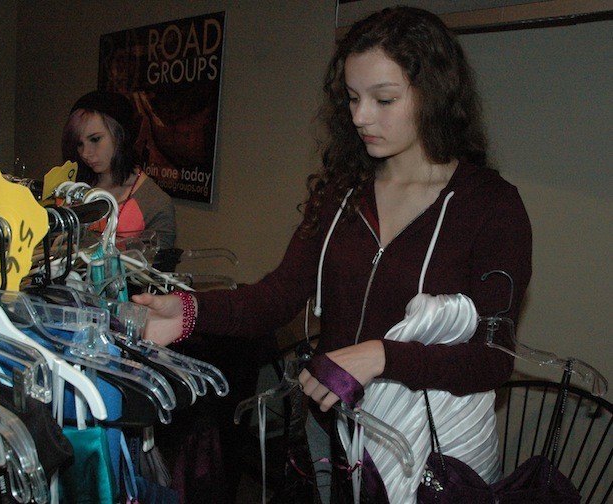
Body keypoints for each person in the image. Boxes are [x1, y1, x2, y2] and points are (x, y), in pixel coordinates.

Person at [133, 6, 532, 503]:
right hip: (335, 446)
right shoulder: (345, 193)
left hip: (430, 459)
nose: (361, 116)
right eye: (352, 98)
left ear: (434, 94)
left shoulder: (490, 207)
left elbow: (491, 360)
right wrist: (189, 311)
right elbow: (276, 297)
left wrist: (381, 356)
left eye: (383, 99)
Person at [61, 90, 177, 251]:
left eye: (95, 139)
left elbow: (157, 270)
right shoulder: (73, 190)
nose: (85, 153)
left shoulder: (154, 204)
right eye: (79, 144)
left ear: (121, 135)